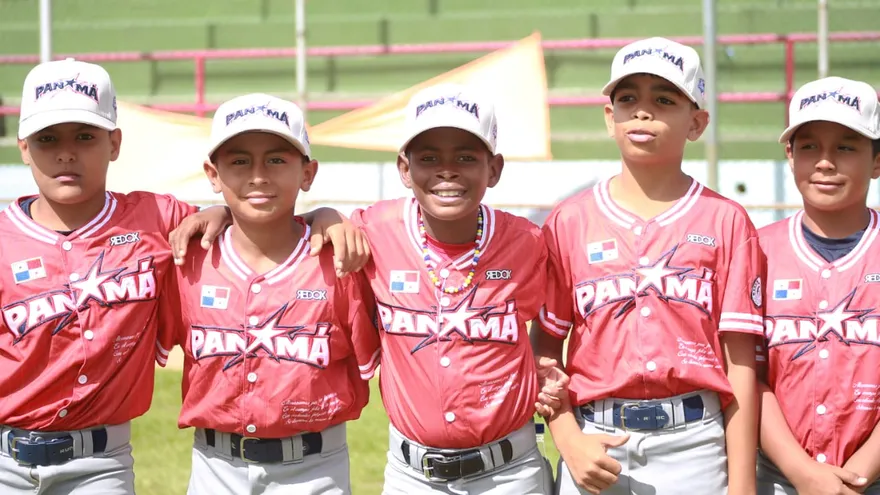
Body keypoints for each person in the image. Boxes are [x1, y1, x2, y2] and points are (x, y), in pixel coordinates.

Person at [0, 58, 364, 495]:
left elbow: (255, 215)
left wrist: (323, 216)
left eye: (84, 135)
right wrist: (225, 210)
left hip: (102, 465)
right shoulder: (9, 236)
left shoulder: (158, 219)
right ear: (23, 147)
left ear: (114, 142)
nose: (66, 152)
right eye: (47, 138)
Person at [532, 37, 764, 495]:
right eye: (627, 99)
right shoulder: (569, 220)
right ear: (609, 117)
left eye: (663, 100)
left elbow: (740, 364)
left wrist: (742, 485)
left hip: (695, 446)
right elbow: (545, 344)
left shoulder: (726, 220)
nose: (642, 112)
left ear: (696, 122)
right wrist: (568, 440)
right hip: (594, 441)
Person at [167, 93, 380, 495]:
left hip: (316, 470)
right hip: (215, 469)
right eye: (239, 161)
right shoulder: (187, 260)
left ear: (308, 173)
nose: (258, 176)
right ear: (213, 174)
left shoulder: (342, 262)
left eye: (277, 160)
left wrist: (329, 215)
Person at [350, 83, 555, 494]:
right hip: (411, 478)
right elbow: (287, 230)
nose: (447, 171)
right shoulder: (371, 231)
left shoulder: (528, 243)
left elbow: (553, 329)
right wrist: (223, 215)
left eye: (465, 157)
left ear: (493, 169)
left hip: (510, 475)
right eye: (428, 158)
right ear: (404, 169)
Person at [757, 76, 880, 495]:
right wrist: (803, 473)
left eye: (846, 147)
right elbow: (747, 375)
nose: (825, 162)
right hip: (779, 477)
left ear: (877, 161)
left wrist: (858, 475)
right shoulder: (756, 250)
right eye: (809, 146)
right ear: (790, 156)